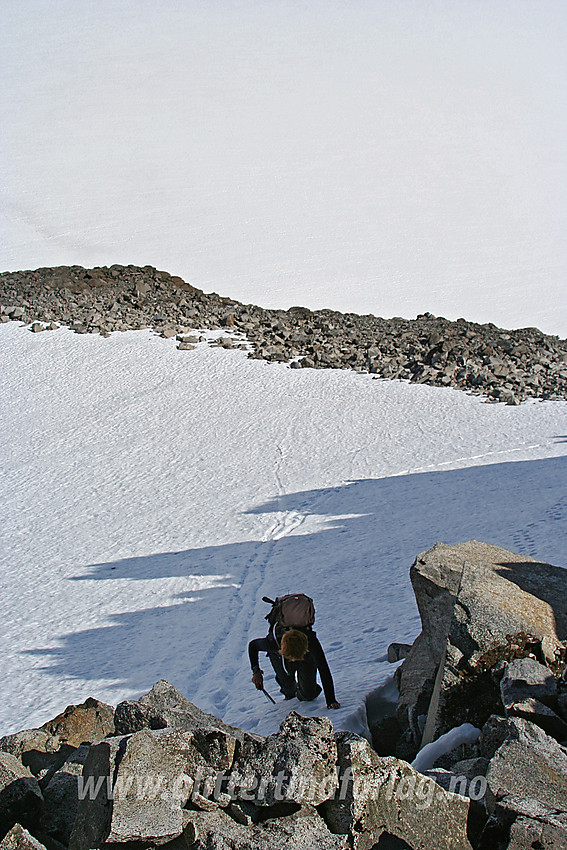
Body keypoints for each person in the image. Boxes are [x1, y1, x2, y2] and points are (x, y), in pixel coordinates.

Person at [248, 626, 340, 709]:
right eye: (291, 658)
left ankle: (304, 687)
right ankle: (289, 685)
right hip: (279, 656)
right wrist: (256, 671)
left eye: (295, 659)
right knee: (289, 690)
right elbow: (253, 646)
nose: (293, 661)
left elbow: (324, 669)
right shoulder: (273, 643)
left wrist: (331, 700)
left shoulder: (311, 642)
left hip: (305, 656)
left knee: (308, 695)